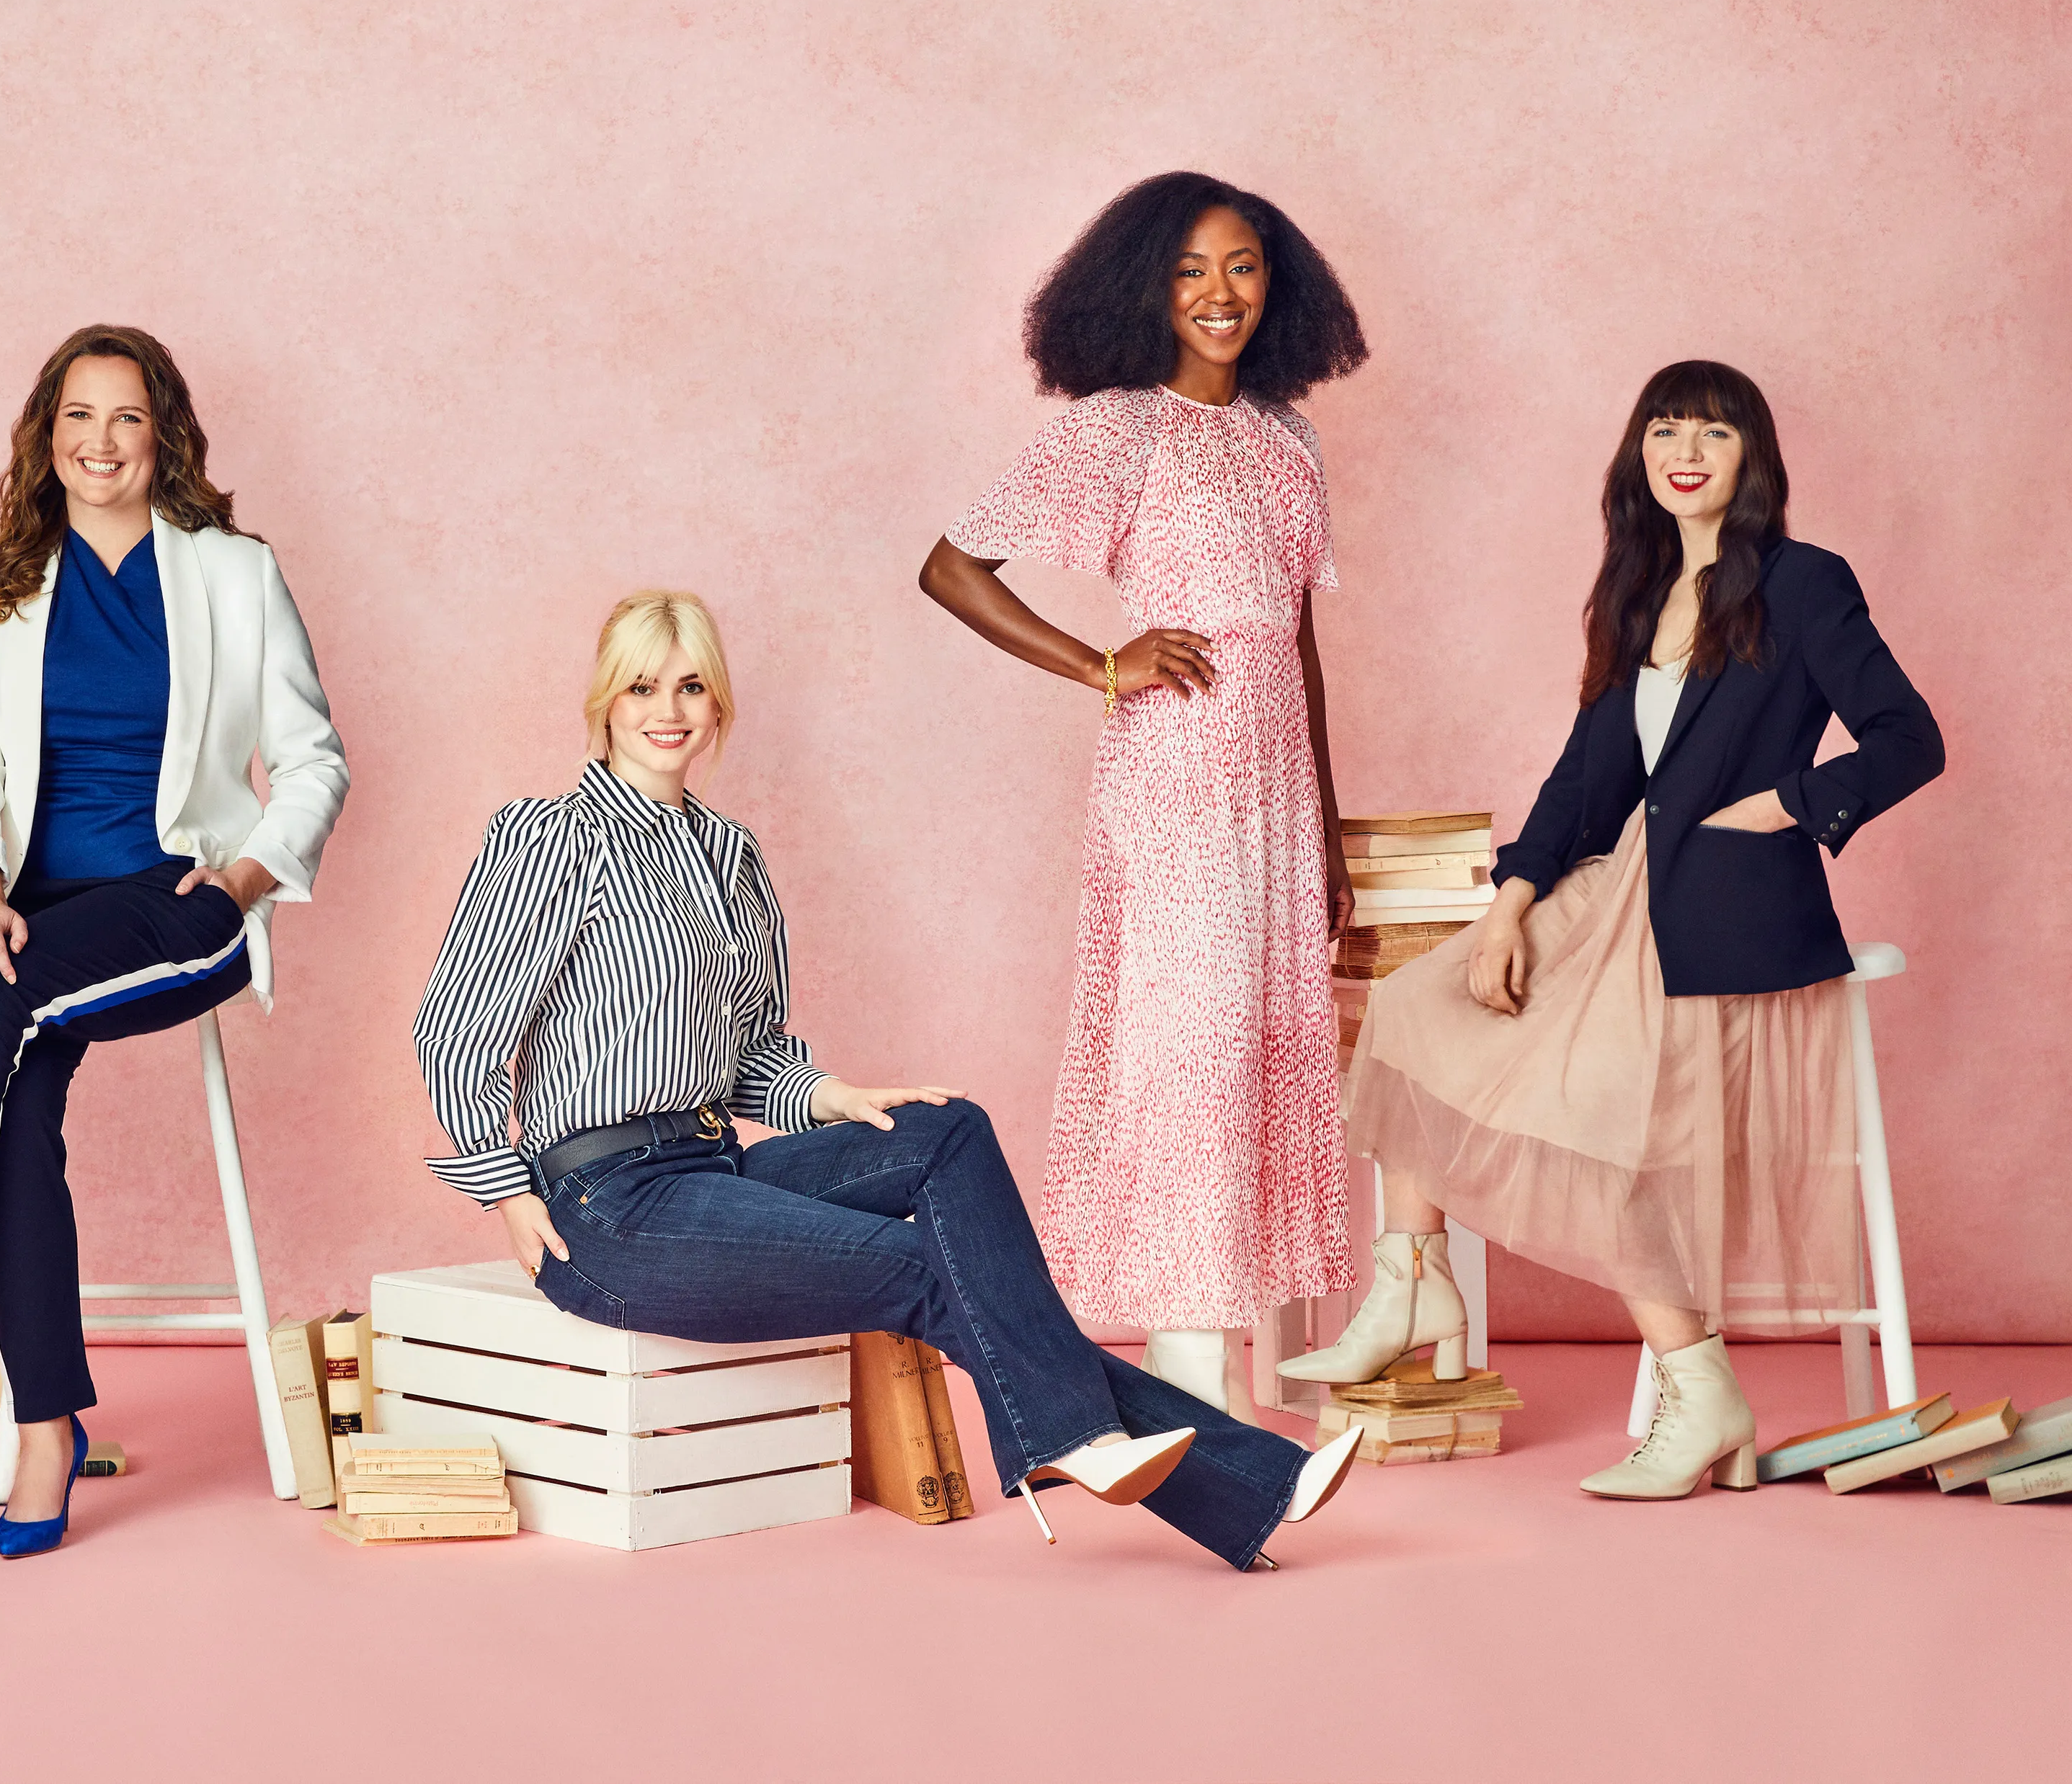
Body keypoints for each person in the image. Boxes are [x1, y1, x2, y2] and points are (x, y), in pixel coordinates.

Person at [410, 590, 1361, 1567]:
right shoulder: (548, 837)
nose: (669, 708)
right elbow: (454, 1027)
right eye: (644, 685)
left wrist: (836, 1097)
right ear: (605, 700)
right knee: (928, 1265)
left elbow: (751, 1054)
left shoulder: (728, 855)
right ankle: (1218, 1469)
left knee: (948, 1129)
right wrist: (508, 1193)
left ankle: (1107, 1446)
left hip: (712, 1170)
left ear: (719, 704)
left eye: (692, 684)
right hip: (603, 1209)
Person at [1286, 362, 1941, 1496]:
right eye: (1665, 426)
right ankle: (1409, 1277)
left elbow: (1909, 736)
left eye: (1715, 431)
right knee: (1410, 1001)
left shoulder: (1801, 582)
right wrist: (1512, 898)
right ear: (1641, 449)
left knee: (1594, 1120)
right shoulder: (1636, 589)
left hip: (1722, 907)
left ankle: (1700, 1390)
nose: (1686, 448)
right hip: (1616, 890)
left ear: (1753, 457)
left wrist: (1790, 802)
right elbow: (1585, 781)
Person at [0, 325, 349, 1557]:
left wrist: (244, 880)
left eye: (127, 419)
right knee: (12, 1088)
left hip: (176, 902)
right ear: (47, 436)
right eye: (78, 418)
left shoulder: (232, 572)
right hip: (33, 916)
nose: (101, 442)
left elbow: (316, 756)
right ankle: (45, 1426)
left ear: (165, 440)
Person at [917, 171, 1370, 1418]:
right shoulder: (1122, 426)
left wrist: (1325, 827)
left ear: (1278, 282)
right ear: (1143, 289)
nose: (1219, 294)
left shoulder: (1289, 439)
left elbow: (1297, 639)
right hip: (1174, 784)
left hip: (1275, 794)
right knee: (1190, 1056)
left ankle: (1219, 1361)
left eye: (1241, 266)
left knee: (1261, 1056)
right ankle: (1189, 1379)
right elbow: (951, 567)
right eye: (1188, 270)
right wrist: (1099, 663)